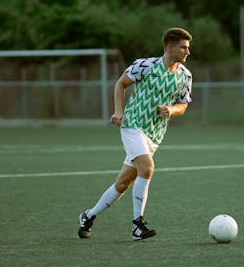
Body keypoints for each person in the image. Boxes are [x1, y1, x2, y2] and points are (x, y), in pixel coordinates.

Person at [78, 27, 193, 240]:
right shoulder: (145, 65)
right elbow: (121, 84)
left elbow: (183, 105)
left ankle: (88, 215)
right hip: (133, 125)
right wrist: (119, 112)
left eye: (188, 48)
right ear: (169, 46)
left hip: (155, 135)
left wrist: (172, 109)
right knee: (147, 168)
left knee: (122, 184)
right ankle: (137, 225)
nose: (188, 52)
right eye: (183, 47)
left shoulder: (185, 76)